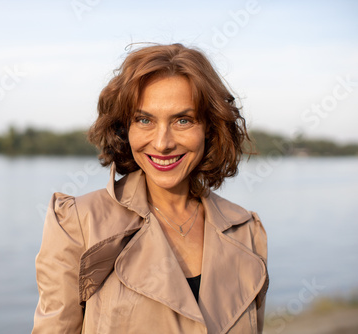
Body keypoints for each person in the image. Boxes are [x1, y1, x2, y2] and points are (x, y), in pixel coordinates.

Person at [32, 43, 268, 333]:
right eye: (144, 120)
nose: (162, 143)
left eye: (183, 120)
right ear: (124, 128)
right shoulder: (77, 223)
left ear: (209, 127)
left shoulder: (245, 230)